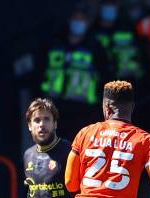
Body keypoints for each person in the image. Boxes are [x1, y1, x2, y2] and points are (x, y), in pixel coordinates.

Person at [41, 7, 108, 141]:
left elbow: (105, 76)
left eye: (82, 19)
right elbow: (41, 72)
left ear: (88, 23)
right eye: (75, 19)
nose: (78, 23)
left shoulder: (95, 47)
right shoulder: (54, 43)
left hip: (84, 110)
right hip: (54, 107)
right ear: (69, 21)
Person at [91, 0, 149, 90]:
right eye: (107, 4)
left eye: (113, 3)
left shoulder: (128, 27)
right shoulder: (93, 32)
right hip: (106, 84)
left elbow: (143, 52)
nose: (110, 8)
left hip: (134, 81)